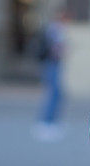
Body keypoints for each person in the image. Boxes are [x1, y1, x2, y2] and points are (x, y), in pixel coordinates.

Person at [33, 8, 68, 141]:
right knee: (53, 93)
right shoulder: (55, 30)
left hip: (53, 64)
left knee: (56, 93)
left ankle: (51, 121)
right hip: (52, 64)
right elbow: (55, 49)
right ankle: (46, 122)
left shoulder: (53, 29)